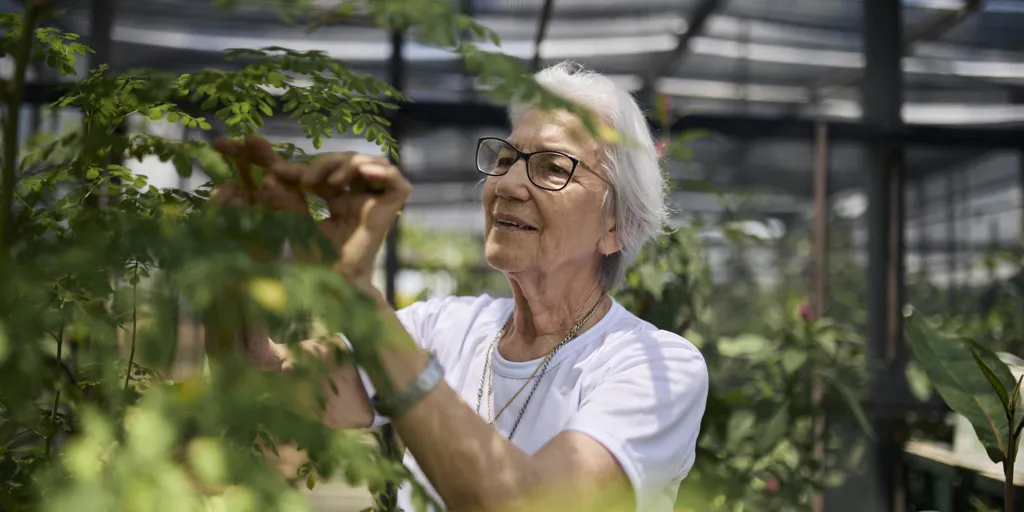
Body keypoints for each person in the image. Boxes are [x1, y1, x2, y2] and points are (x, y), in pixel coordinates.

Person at [210, 61, 709, 512]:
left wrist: (354, 298)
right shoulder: (443, 327)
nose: (509, 184)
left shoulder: (655, 367)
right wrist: (231, 275)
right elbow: (264, 391)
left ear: (616, 226)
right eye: (506, 157)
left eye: (553, 167)